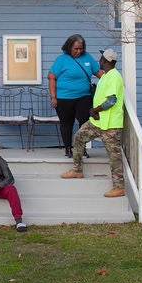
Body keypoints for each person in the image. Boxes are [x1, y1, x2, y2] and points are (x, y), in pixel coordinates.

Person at [60, 48, 125, 197]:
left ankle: (119, 187)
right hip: (98, 122)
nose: (99, 60)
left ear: (106, 61)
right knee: (79, 137)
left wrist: (95, 110)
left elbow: (111, 100)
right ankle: (77, 170)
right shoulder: (105, 76)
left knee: (114, 156)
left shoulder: (114, 76)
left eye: (101, 58)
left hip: (111, 125)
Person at [47, 34, 103, 157]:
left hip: (84, 97)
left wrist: (111, 81)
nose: (79, 51)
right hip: (64, 98)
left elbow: (100, 73)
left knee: (84, 123)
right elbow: (51, 78)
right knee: (67, 124)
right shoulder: (61, 59)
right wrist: (53, 97)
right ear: (69, 47)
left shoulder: (87, 57)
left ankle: (81, 148)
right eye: (76, 49)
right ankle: (68, 148)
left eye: (81, 48)